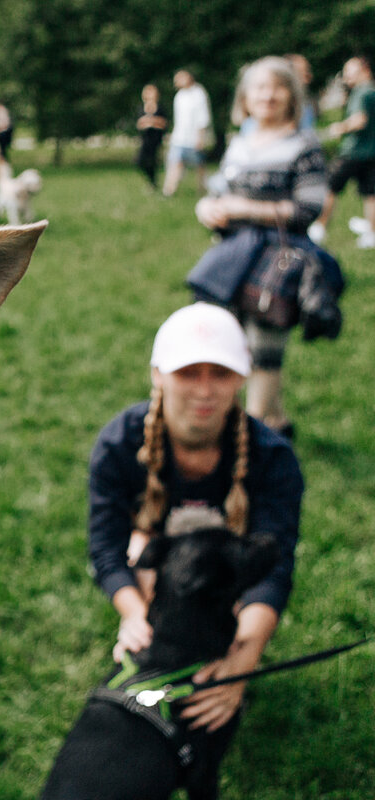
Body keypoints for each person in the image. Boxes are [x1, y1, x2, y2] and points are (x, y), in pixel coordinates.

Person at [88, 302, 302, 734]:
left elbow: (274, 567)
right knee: (134, 545)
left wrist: (241, 664)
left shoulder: (274, 457)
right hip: (157, 563)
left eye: (220, 373)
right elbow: (106, 551)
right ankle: (161, 628)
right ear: (157, 375)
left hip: (227, 569)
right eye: (188, 372)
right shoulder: (118, 444)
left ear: (242, 377)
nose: (204, 390)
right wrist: (134, 615)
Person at [190, 56, 335, 438]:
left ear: (293, 95)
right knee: (230, 340)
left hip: (279, 261)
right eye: (259, 87)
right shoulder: (239, 143)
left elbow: (309, 208)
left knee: (264, 347)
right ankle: (277, 423)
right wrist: (206, 205)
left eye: (278, 86)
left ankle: (248, 439)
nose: (268, 95)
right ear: (245, 98)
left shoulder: (304, 146)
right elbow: (219, 189)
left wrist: (247, 209)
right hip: (232, 257)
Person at [308, 56, 375, 249]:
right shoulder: (372, 90)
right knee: (371, 194)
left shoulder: (362, 93)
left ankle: (319, 228)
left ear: (365, 70)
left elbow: (359, 120)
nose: (347, 78)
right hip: (371, 153)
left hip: (353, 152)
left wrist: (339, 127)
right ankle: (372, 234)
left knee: (330, 187)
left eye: (351, 72)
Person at [162, 69, 212, 197]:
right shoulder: (179, 96)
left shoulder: (199, 93)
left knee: (199, 166)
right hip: (179, 138)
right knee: (175, 162)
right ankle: (169, 190)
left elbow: (203, 117)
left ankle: (203, 189)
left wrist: (200, 137)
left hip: (195, 137)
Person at [136, 84, 169, 190]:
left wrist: (150, 121)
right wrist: (153, 121)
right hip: (145, 139)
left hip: (156, 139)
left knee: (153, 161)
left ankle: (153, 183)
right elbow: (139, 123)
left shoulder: (160, 108)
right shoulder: (141, 107)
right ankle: (151, 181)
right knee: (140, 161)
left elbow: (164, 123)